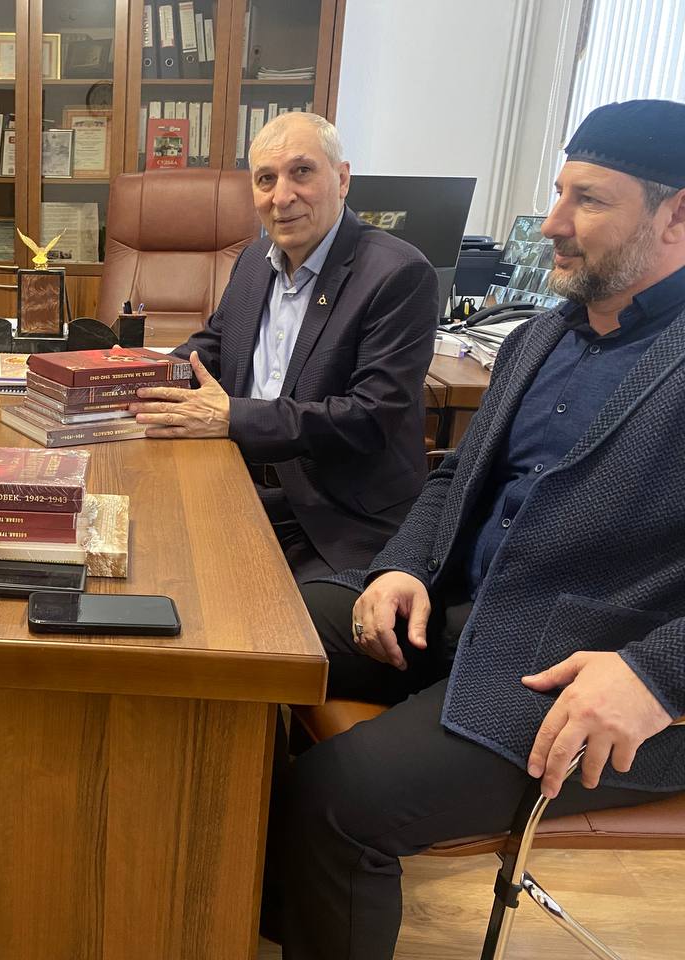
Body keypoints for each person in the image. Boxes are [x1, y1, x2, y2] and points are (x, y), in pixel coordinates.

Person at [269, 99, 685, 959]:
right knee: (261, 633)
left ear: (676, 216)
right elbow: (454, 477)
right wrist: (402, 567)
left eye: (589, 200)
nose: (553, 223)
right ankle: (252, 909)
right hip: (468, 615)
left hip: (594, 678)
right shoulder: (542, 336)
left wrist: (657, 674)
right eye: (559, 193)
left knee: (342, 795)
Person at [129, 112, 439, 581]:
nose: (282, 197)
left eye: (302, 172)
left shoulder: (398, 274)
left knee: (246, 613)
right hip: (237, 481)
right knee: (143, 562)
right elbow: (214, 345)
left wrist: (232, 416)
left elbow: (368, 418)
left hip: (334, 519)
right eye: (266, 179)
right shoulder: (255, 260)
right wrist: (125, 378)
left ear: (342, 179)